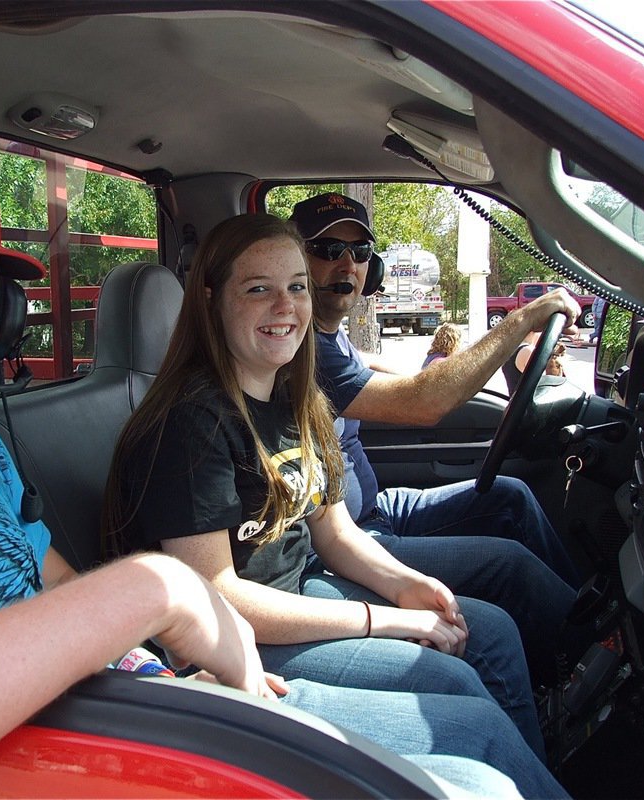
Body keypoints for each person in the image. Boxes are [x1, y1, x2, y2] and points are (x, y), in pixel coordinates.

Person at [0, 148, 525, 799]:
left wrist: (185, 675)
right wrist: (150, 592)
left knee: (467, 742)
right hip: (53, 763)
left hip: (128, 713)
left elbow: (55, 584)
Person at [103, 213, 569, 799]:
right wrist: (390, 620)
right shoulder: (190, 424)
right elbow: (216, 595)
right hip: (235, 640)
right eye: (258, 289)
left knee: (487, 631)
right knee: (472, 719)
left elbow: (334, 530)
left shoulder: (299, 400)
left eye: (296, 286)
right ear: (211, 300)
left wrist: (405, 584)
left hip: (300, 591)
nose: (286, 306)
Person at [292, 192, 588, 681]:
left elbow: (366, 370)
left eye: (359, 253)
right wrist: (520, 322)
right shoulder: (301, 344)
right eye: (326, 250)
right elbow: (423, 404)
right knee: (508, 565)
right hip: (353, 535)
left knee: (510, 497)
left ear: (374, 267)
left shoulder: (329, 334)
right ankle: (588, 657)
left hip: (375, 508)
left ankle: (580, 618)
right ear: (296, 260)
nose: (345, 264)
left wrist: (425, 372)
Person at [502, 330, 566, 395]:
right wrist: (554, 360)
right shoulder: (528, 351)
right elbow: (550, 384)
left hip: (518, 399)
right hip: (530, 401)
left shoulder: (514, 349)